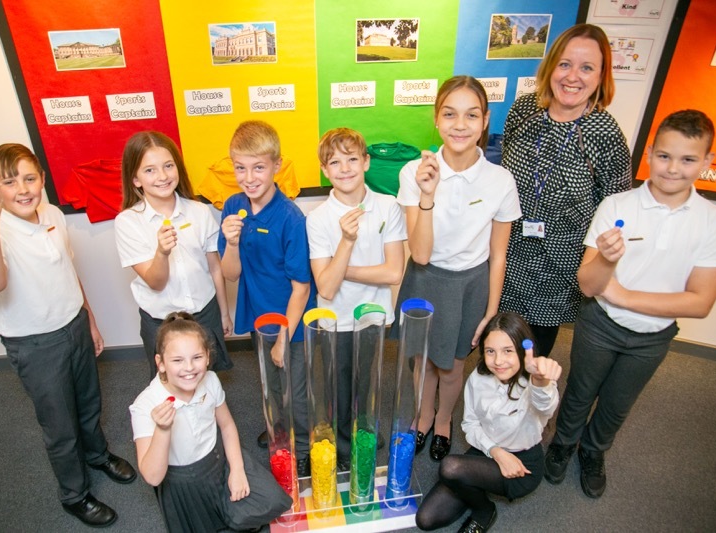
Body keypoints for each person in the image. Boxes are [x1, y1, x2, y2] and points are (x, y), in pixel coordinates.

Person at [545, 110, 716, 498]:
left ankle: (594, 452)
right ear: (648, 154)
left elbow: (700, 302)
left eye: (688, 159)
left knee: (617, 403)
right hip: (600, 324)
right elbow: (588, 283)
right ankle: (563, 444)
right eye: (664, 156)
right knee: (580, 390)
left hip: (653, 336)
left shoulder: (713, 222)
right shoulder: (616, 206)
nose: (673, 169)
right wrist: (608, 261)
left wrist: (625, 295)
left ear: (707, 162)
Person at [0, 143, 136, 528]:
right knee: (60, 424)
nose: (24, 189)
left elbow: (68, 274)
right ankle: (74, 495)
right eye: (11, 182)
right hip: (35, 343)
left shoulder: (53, 215)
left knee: (89, 404)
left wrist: (90, 320)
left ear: (43, 179)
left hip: (73, 325)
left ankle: (97, 455)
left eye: (30, 178)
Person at [394, 76, 522, 462]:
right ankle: (423, 415)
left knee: (451, 367)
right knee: (423, 360)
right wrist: (428, 196)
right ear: (436, 120)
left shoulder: (500, 180)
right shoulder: (414, 173)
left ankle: (445, 419)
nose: (460, 124)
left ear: (485, 121)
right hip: (425, 278)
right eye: (449, 114)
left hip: (470, 285)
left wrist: (490, 313)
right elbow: (419, 254)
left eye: (471, 115)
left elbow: (498, 254)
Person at [499, 23, 632, 357]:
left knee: (533, 353)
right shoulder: (524, 111)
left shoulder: (605, 131)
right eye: (565, 64)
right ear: (551, 67)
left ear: (601, 77)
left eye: (587, 67)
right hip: (507, 252)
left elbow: (617, 208)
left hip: (559, 266)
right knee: (497, 342)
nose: (573, 76)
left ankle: (524, 406)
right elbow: (500, 180)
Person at [129, 312, 292, 532]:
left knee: (273, 501)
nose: (189, 368)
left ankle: (232, 514)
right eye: (177, 360)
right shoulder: (144, 405)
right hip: (183, 484)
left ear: (207, 356)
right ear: (161, 363)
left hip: (218, 461)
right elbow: (153, 476)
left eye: (197, 357)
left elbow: (226, 426)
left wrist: (237, 470)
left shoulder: (210, 380)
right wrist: (163, 429)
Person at [218, 120, 316, 476]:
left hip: (291, 320)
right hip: (259, 316)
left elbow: (301, 288)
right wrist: (230, 243)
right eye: (240, 167)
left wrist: (283, 337)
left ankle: (302, 445)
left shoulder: (291, 217)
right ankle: (278, 429)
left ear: (276, 165)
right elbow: (231, 273)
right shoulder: (232, 205)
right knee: (268, 381)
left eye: (258, 167)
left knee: (296, 388)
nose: (249, 177)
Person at [306, 127, 407, 469]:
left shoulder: (388, 206)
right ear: (324, 170)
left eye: (352, 159)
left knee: (369, 380)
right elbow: (327, 289)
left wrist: (339, 267)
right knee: (338, 385)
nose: (345, 168)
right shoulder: (318, 219)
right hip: (336, 319)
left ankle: (364, 429)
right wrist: (346, 242)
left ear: (366, 162)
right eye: (335, 162)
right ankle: (345, 447)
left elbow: (393, 272)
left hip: (374, 316)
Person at [415, 312, 561, 533]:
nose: (498, 361)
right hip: (486, 451)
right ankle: (475, 482)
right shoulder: (478, 377)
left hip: (522, 465)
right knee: (425, 520)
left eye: (508, 351)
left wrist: (541, 381)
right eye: (491, 351)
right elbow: (470, 425)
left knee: (450, 467)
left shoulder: (534, 384)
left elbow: (546, 406)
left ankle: (484, 511)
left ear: (522, 351)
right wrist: (496, 453)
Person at [115, 131, 233, 379]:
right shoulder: (128, 222)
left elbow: (214, 268)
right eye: (149, 170)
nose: (162, 176)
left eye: (168, 166)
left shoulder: (199, 212)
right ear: (135, 179)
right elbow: (155, 282)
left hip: (205, 313)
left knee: (206, 377)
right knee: (168, 382)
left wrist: (223, 313)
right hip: (160, 321)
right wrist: (161, 253)